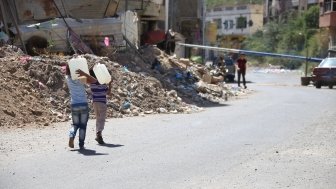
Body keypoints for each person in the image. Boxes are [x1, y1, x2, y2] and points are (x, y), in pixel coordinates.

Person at [65, 64, 97, 149]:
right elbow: (94, 81)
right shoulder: (81, 78)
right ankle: (81, 144)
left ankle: (72, 135)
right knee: (83, 125)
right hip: (83, 103)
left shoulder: (67, 78)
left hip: (74, 104)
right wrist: (84, 73)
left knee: (75, 124)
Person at [89, 69, 112, 144]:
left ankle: (98, 135)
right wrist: (110, 84)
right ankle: (99, 132)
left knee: (98, 118)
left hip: (95, 103)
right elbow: (108, 93)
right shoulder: (103, 83)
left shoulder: (92, 83)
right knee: (102, 119)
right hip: (102, 102)